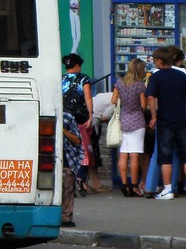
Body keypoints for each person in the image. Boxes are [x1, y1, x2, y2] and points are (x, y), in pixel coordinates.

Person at [144, 45, 186, 200]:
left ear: (160, 61)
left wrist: (154, 116)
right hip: (182, 118)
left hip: (165, 120)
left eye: (155, 60)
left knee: (165, 156)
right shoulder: (182, 76)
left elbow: (150, 97)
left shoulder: (156, 77)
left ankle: (167, 189)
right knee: (184, 155)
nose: (154, 63)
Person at [62, 53, 103, 193]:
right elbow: (87, 97)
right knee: (84, 148)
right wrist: (91, 115)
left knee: (66, 149)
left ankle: (68, 182)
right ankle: (81, 178)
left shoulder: (61, 79)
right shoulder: (83, 78)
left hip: (64, 118)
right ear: (78, 65)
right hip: (80, 118)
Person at [112, 58, 148, 197]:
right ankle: (134, 185)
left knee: (123, 154)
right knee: (134, 155)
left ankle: (124, 184)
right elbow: (143, 106)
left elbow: (113, 100)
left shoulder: (119, 82)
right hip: (137, 121)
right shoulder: (140, 86)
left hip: (124, 120)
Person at [61, 93, 83, 227]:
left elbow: (77, 139)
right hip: (49, 160)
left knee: (68, 187)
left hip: (66, 159)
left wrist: (62, 130)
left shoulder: (67, 117)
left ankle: (66, 217)